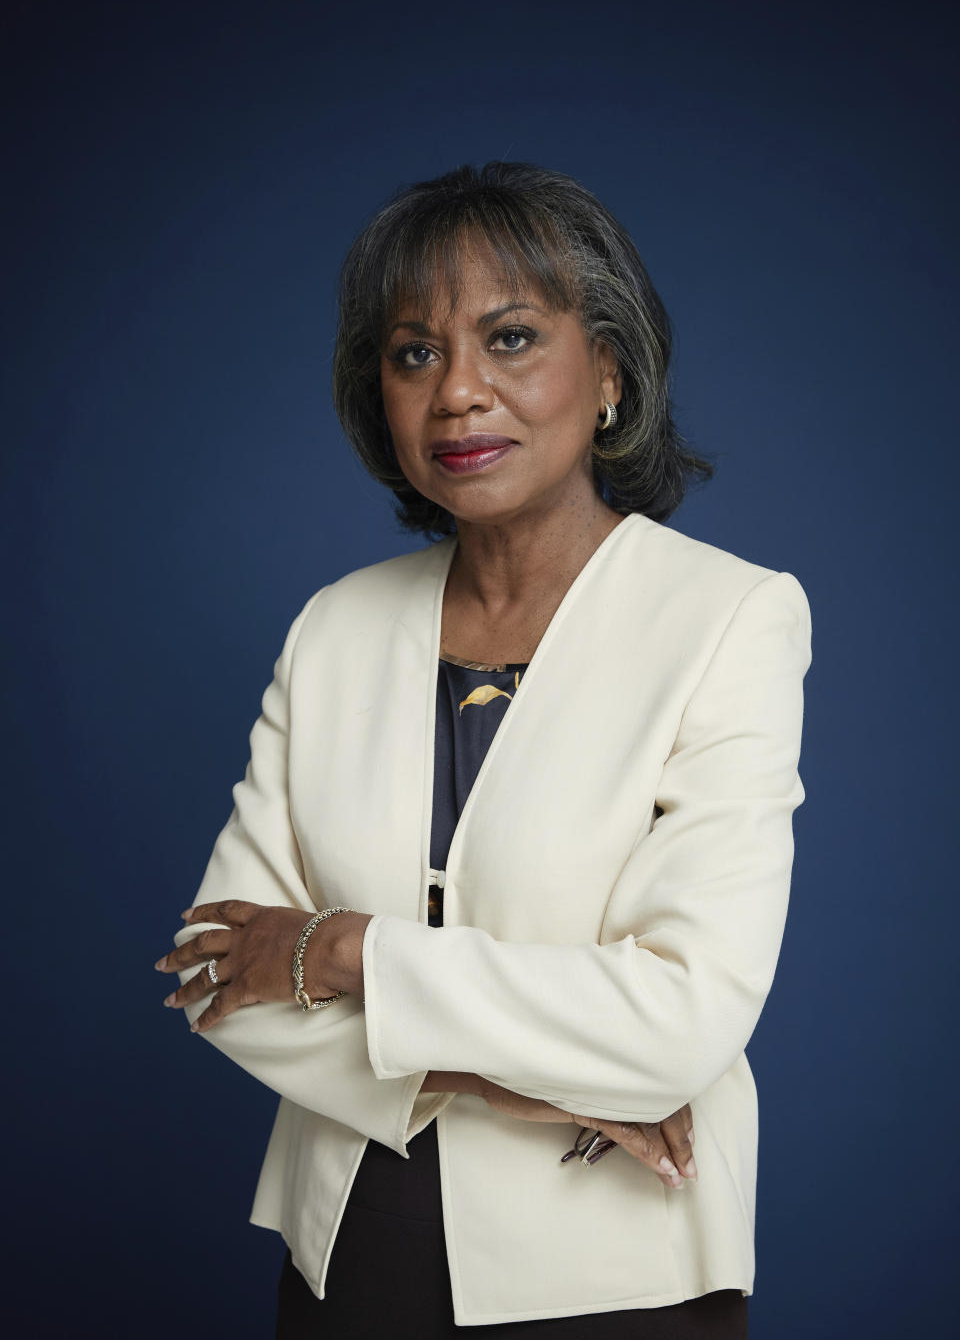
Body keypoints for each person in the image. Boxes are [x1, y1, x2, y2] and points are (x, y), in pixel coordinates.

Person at [155, 161, 811, 1337]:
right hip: (345, 1261)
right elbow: (221, 974)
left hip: (617, 1274)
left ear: (608, 370)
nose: (458, 391)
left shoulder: (728, 618)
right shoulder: (335, 627)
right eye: (415, 354)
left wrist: (344, 951)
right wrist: (511, 1077)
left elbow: (681, 1018)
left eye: (510, 339)